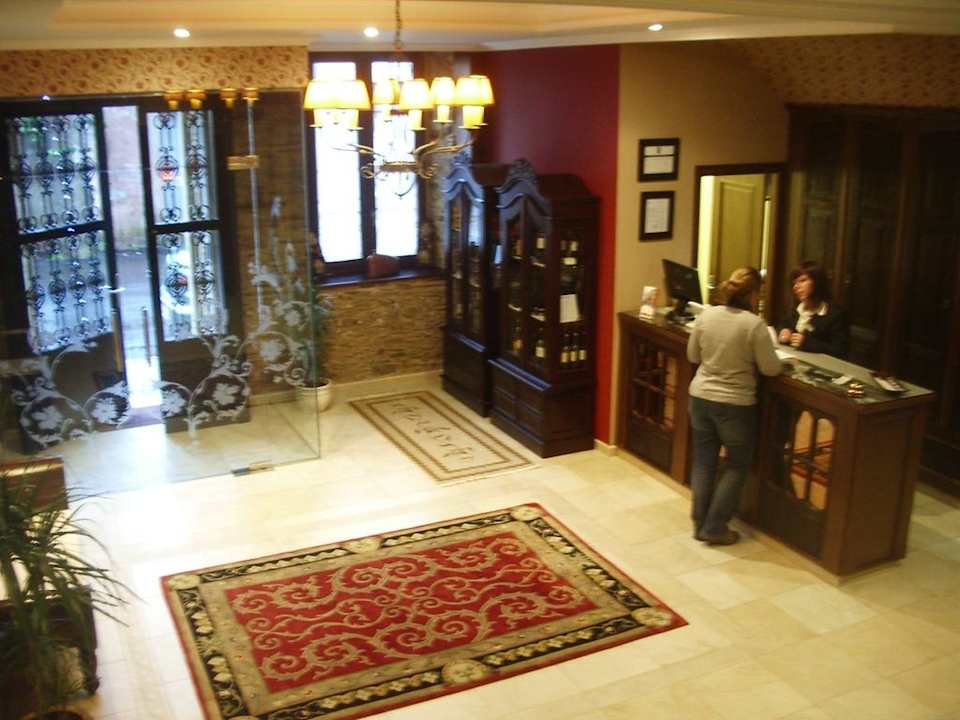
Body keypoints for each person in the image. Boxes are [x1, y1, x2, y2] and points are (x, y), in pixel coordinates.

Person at [687, 267, 782, 546]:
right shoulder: (754, 325)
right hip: (735, 404)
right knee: (736, 465)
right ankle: (715, 527)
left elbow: (692, 355)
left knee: (703, 461)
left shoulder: (707, 315)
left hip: (700, 397)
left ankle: (699, 523)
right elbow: (770, 368)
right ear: (752, 295)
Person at [777, 260, 849, 359]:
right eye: (794, 283)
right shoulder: (795, 309)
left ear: (817, 282)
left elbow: (840, 351)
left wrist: (808, 343)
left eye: (802, 280)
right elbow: (783, 325)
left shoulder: (835, 314)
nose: (796, 287)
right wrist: (783, 331)